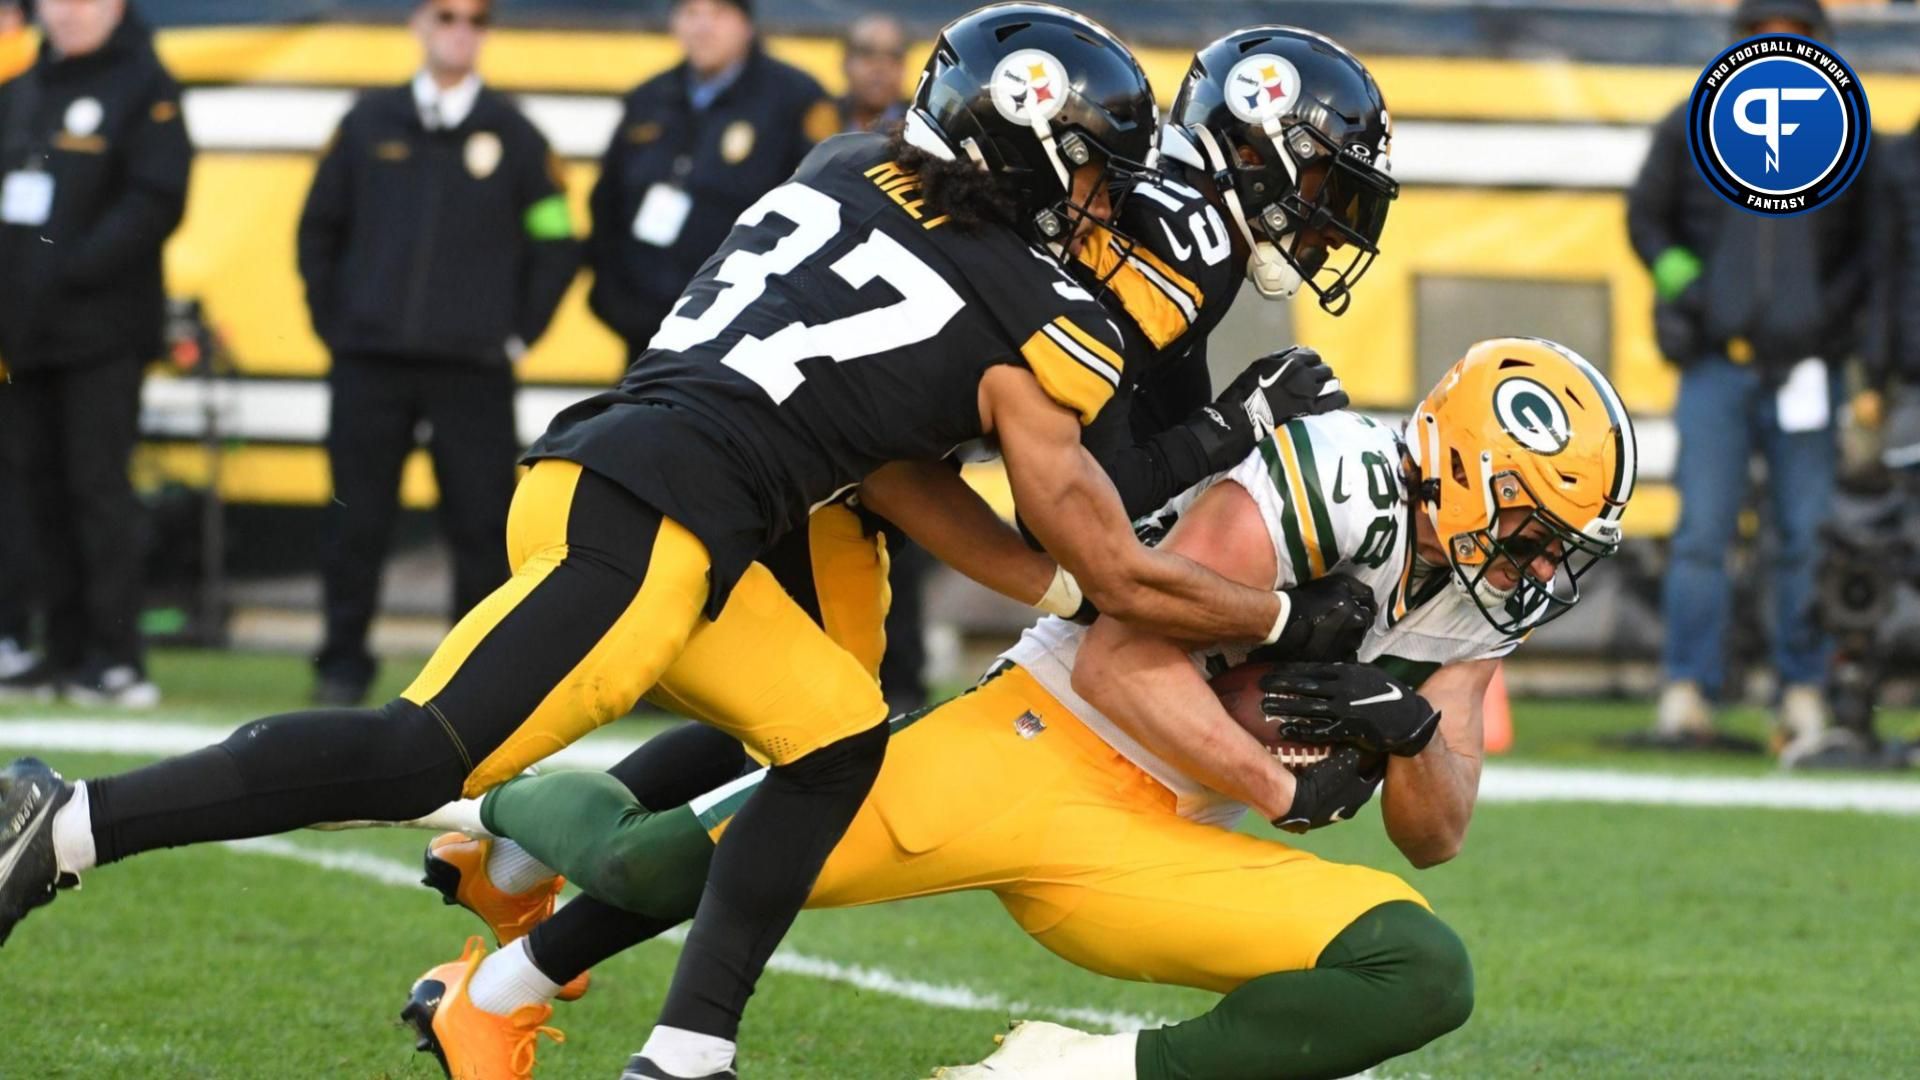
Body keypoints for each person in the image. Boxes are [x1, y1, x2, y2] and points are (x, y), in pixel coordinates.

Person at [0, 9, 1311, 1079]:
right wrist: (1265, 616)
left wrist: (1050, 582)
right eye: (1087, 169)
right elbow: (1097, 543)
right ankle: (69, 826)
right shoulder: (1028, 300)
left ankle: (685, 1054)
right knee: (416, 754)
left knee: (834, 733)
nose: (1097, 202)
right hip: (648, 516)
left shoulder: (843, 164)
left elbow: (893, 459)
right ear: (1027, 152)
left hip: (661, 488)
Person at [395, 336, 1638, 1080]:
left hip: (1160, 835)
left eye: (1561, 546)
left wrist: (1411, 730)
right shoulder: (1334, 485)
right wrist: (1283, 785)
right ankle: (500, 807)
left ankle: (1069, 1069)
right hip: (1042, 742)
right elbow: (1118, 665)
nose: (1540, 567)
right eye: (1534, 528)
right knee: (650, 864)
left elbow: (1436, 831)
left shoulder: (1487, 596)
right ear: (1459, 474)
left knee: (1417, 970)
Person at [298, 0, 581, 707]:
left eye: (476, 19)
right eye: (446, 15)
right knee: (354, 517)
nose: (460, 29)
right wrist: (339, 325)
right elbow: (318, 229)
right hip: (370, 363)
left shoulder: (516, 137)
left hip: (473, 369)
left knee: (483, 523)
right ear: (420, 26)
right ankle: (342, 667)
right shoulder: (366, 123)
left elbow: (556, 239)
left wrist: (517, 333)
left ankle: (471, 682)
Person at [1625, 0, 1870, 763]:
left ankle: (1801, 691)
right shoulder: (1689, 125)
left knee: (1805, 539)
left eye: (1794, 37)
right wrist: (1690, 288)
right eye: (1765, 35)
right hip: (1716, 368)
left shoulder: (1844, 132)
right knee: (1702, 534)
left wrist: (1827, 322)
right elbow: (1647, 218)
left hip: (1808, 374)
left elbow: (1868, 245)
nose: (1779, 47)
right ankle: (1686, 691)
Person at [0, 0, 191, 707]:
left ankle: (115, 657)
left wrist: (69, 268)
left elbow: (156, 200)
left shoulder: (146, 85)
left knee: (97, 490)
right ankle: (62, 649)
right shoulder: (21, 89)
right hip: (26, 336)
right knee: (36, 494)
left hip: (102, 332)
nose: (71, 12)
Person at [586, 0, 837, 359]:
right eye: (691, 13)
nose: (702, 27)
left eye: (718, 13)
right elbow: (606, 208)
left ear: (746, 23)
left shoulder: (794, 99)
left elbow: (817, 216)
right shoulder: (647, 99)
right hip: (646, 334)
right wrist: (620, 307)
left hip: (744, 341)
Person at [836, 13, 907, 135]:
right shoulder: (817, 122)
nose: (880, 67)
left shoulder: (921, 134)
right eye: (867, 53)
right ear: (845, 61)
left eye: (893, 56)